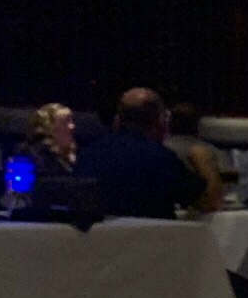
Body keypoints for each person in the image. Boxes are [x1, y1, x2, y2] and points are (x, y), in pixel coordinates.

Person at [72, 88, 203, 219]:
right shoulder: (161, 159)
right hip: (154, 232)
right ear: (161, 121)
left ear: (117, 120)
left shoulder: (87, 155)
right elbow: (206, 203)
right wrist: (204, 161)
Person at [164, 102, 226, 213]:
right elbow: (229, 186)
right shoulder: (216, 153)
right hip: (208, 213)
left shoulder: (160, 151)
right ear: (198, 125)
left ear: (169, 124)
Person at [21, 102, 76, 178]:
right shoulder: (31, 156)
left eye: (71, 121)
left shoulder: (67, 159)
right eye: (64, 122)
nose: (72, 126)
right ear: (49, 128)